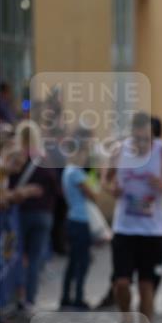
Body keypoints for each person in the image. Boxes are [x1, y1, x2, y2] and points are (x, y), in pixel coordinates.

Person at [104, 111, 162, 323]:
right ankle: (126, 319)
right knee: (121, 283)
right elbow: (105, 180)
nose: (141, 144)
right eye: (137, 139)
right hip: (124, 228)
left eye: (146, 139)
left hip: (153, 231)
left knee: (147, 286)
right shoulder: (119, 151)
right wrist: (112, 188)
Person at [8, 120, 61, 317]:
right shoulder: (44, 160)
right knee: (34, 258)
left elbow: (8, 185)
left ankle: (17, 296)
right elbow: (56, 189)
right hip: (43, 214)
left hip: (20, 213)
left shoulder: (16, 159)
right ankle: (30, 298)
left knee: (17, 256)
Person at [60, 127, 100, 311]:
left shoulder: (67, 171)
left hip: (72, 218)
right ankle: (78, 297)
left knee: (73, 261)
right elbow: (93, 195)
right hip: (81, 220)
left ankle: (66, 296)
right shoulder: (77, 173)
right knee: (81, 262)